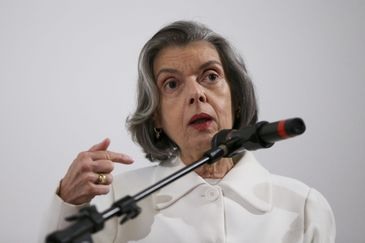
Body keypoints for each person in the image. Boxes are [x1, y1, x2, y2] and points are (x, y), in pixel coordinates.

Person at [42, 20, 336, 243]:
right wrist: (70, 202)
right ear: (156, 115)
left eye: (210, 76)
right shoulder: (118, 199)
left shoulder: (304, 206)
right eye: (172, 84)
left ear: (235, 97)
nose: (196, 94)